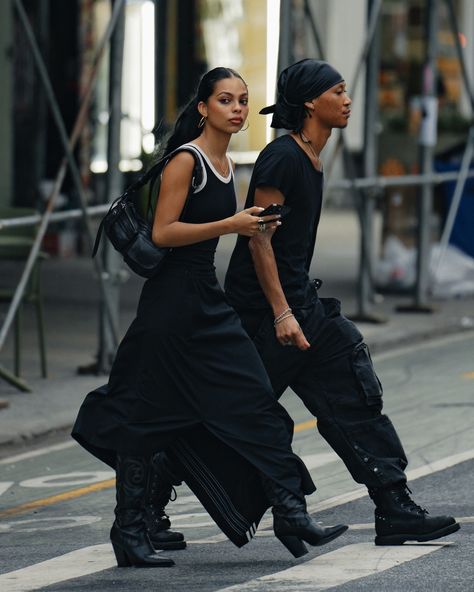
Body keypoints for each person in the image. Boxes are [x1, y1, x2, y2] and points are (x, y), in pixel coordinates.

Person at [72, 66, 347, 568]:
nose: (238, 109)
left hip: (206, 302)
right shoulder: (188, 160)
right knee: (143, 419)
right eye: (225, 100)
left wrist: (253, 229)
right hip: (171, 308)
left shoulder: (227, 162)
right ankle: (130, 530)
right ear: (203, 108)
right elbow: (163, 233)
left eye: (243, 100)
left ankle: (290, 510)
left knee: (257, 404)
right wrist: (232, 224)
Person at [223, 59, 460, 546]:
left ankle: (395, 508)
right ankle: (144, 511)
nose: (348, 99)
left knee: (355, 395)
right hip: (263, 317)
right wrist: (282, 313)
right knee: (223, 417)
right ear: (312, 102)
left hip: (302, 309)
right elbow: (258, 241)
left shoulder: (312, 155)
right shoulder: (282, 158)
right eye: (338, 90)